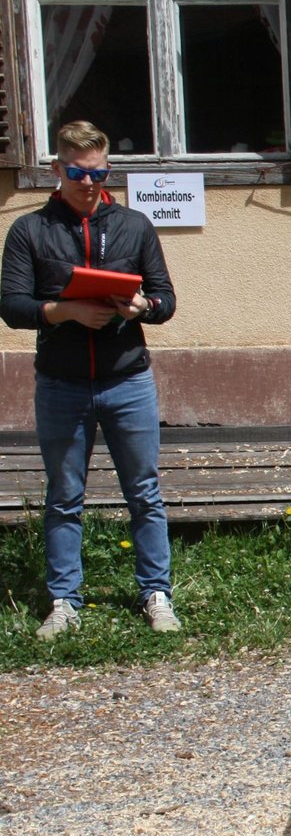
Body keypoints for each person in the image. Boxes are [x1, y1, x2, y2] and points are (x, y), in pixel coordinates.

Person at [0, 120, 180, 639]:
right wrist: (66, 311)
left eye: (99, 173)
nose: (88, 183)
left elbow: (166, 299)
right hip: (62, 382)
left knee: (144, 492)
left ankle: (156, 593)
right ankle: (64, 601)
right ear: (56, 169)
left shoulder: (134, 225)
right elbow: (12, 306)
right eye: (78, 172)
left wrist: (142, 306)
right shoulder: (29, 230)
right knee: (63, 496)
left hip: (128, 379)